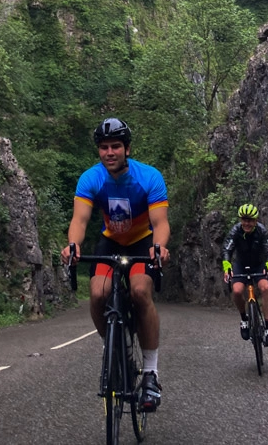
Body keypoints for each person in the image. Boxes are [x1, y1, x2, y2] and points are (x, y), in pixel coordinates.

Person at [61, 117, 170, 411]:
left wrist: (159, 248)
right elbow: (80, 220)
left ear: (127, 149)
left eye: (116, 147)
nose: (110, 152)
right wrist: (73, 245)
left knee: (139, 292)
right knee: (97, 294)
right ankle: (113, 349)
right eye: (104, 147)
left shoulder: (148, 177)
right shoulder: (91, 178)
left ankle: (150, 374)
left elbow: (160, 223)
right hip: (110, 241)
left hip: (142, 242)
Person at [222, 203, 268, 346]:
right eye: (244, 220)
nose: (247, 223)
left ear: (255, 221)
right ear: (241, 220)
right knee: (237, 291)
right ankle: (244, 319)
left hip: (258, 264)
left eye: (250, 220)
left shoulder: (262, 231)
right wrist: (227, 267)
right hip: (240, 265)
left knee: (265, 288)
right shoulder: (235, 231)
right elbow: (227, 250)